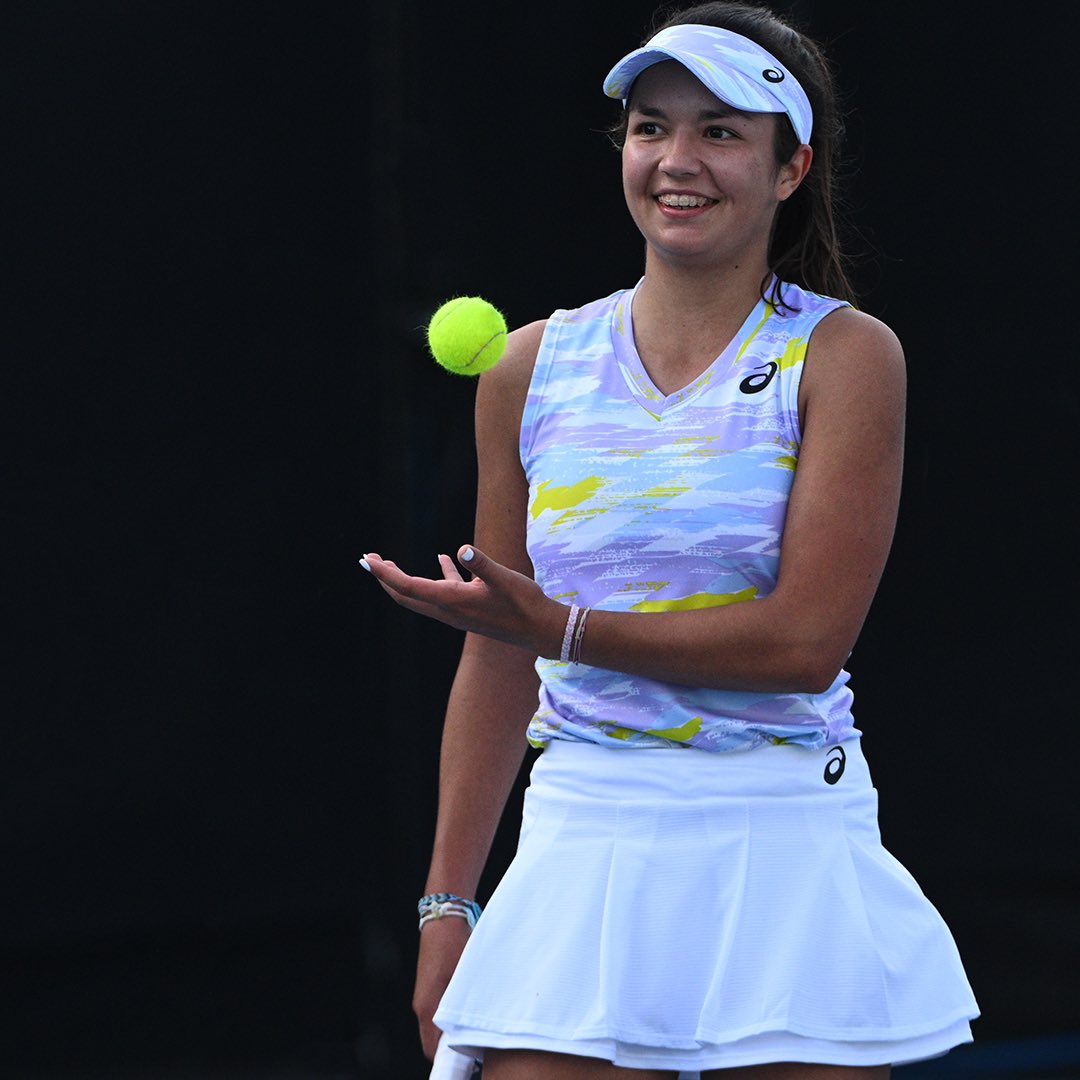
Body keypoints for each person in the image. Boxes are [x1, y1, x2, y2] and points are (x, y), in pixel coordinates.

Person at [362, 2, 979, 1077]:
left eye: (720, 132)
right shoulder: (524, 368)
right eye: (652, 127)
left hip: (783, 835)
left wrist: (559, 628)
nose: (676, 160)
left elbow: (803, 646)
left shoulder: (847, 358)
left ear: (790, 169)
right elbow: (500, 650)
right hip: (585, 833)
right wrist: (447, 905)